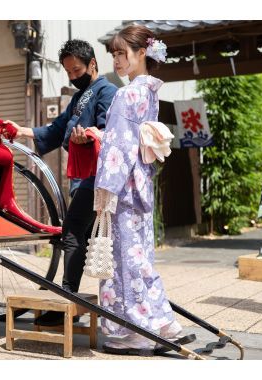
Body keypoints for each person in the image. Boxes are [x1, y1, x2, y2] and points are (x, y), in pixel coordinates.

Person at [92, 25, 195, 355]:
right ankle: (165, 322)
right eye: (114, 54)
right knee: (141, 258)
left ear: (141, 54)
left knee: (125, 262)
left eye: (123, 53)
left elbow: (118, 145)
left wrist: (105, 190)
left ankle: (134, 332)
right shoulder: (149, 92)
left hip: (122, 187)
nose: (118, 60)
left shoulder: (126, 94)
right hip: (141, 185)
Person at [7, 39, 117, 326]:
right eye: (68, 72)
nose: (72, 76)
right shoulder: (80, 97)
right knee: (78, 237)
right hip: (84, 178)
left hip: (98, 178)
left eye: (76, 69)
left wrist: (90, 135)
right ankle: (70, 302)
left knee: (72, 234)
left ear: (93, 63)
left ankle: (67, 302)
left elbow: (111, 134)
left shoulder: (107, 92)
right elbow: (56, 130)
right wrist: (23, 131)